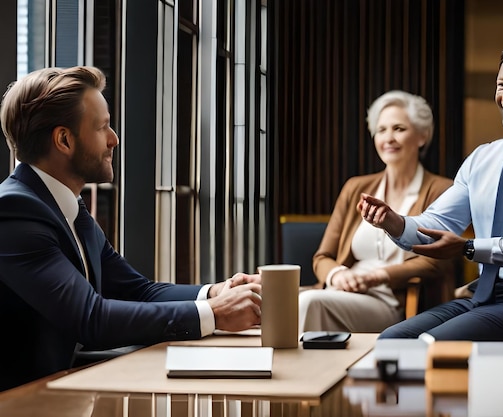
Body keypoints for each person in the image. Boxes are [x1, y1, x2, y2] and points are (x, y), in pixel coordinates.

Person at [0, 66, 262, 391]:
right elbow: (91, 318)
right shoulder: (13, 212)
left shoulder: (66, 206)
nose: (115, 139)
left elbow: (138, 290)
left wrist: (216, 291)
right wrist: (212, 313)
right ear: (64, 140)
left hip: (68, 389)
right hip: (24, 403)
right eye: (103, 127)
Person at [358, 42, 503, 342]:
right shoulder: (482, 158)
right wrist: (395, 222)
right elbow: (437, 224)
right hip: (482, 296)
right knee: (391, 341)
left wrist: (468, 248)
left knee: (430, 348)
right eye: (501, 85)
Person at [299, 90, 456, 333]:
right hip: (341, 292)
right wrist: (339, 275)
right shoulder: (356, 188)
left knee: (309, 302)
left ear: (422, 136)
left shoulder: (441, 189)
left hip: (393, 301)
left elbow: (436, 263)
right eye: (381, 130)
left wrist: (377, 276)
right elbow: (322, 257)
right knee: (287, 302)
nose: (388, 138)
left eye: (399, 129)